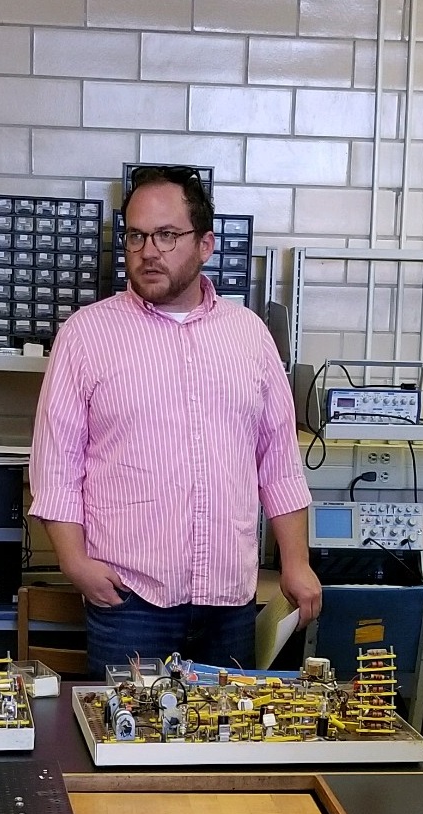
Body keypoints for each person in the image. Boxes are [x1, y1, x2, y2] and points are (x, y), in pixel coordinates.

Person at [29, 165, 322, 677]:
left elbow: (278, 463)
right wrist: (76, 564)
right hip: (129, 602)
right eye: (137, 236)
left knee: (223, 751)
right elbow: (56, 468)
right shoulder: (85, 336)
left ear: (205, 244)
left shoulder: (249, 336)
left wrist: (296, 562)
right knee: (126, 746)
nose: (148, 250)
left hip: (229, 603)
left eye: (166, 235)